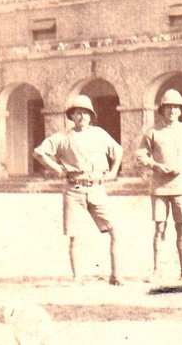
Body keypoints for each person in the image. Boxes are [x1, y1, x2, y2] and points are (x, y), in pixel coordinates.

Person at [33, 94, 122, 284]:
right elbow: (39, 153)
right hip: (74, 189)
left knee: (115, 231)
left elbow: (118, 150)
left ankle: (116, 275)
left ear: (91, 116)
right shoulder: (63, 138)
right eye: (78, 113)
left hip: (97, 188)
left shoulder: (99, 134)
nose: (82, 117)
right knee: (75, 236)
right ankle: (77, 277)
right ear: (72, 116)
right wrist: (58, 168)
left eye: (86, 113)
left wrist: (113, 171)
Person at [135, 88, 182, 280]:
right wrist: (155, 166)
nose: (172, 111)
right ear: (162, 110)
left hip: (181, 186)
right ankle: (157, 269)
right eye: (168, 107)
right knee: (159, 227)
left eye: (176, 107)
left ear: (181, 110)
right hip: (159, 187)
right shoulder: (153, 132)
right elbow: (140, 154)